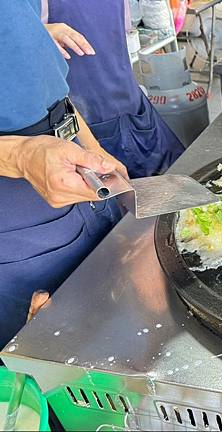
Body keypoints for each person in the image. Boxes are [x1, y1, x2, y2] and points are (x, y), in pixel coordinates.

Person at [0, 0, 128, 348]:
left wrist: (92, 146)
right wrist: (20, 155)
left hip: (71, 154)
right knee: (48, 354)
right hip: (15, 208)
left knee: (115, 317)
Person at [42, 0, 186, 179]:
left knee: (176, 182)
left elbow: (123, 34)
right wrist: (90, 146)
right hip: (83, 120)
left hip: (132, 106)